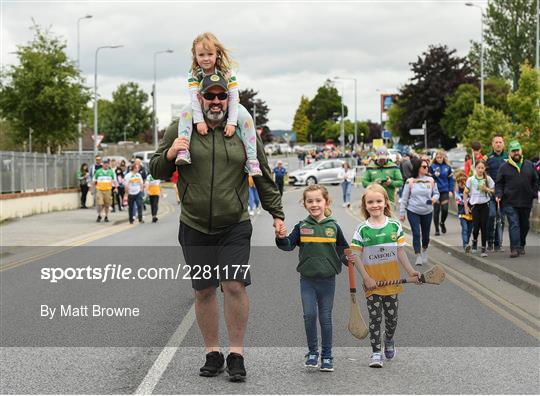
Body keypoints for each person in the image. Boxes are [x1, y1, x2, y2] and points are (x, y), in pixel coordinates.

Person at [149, 73, 285, 382]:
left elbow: (261, 171)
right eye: (209, 96)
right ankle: (213, 352)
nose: (215, 101)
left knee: (234, 285)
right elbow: (156, 168)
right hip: (194, 225)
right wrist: (171, 153)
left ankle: (236, 353)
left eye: (220, 96)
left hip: (233, 223)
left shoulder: (240, 129)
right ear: (199, 99)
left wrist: (276, 212)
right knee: (204, 290)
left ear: (228, 99)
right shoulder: (180, 128)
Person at [276, 185, 349, 372]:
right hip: (307, 280)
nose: (314, 204)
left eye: (318, 200)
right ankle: (312, 353)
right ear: (304, 203)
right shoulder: (302, 227)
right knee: (309, 316)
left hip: (328, 280)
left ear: (326, 202)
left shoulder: (333, 227)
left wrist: (351, 260)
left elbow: (344, 251)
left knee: (325, 318)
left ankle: (326, 355)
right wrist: (281, 237)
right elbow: (287, 246)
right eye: (310, 201)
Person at [351, 183, 420, 368]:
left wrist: (411, 271)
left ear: (385, 203)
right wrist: (366, 277)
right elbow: (355, 255)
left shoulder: (394, 226)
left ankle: (389, 339)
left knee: (392, 319)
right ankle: (375, 353)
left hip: (392, 284)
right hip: (372, 285)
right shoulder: (362, 229)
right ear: (365, 205)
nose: (375, 205)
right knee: (375, 318)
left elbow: (400, 252)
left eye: (378, 201)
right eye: (370, 202)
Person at [175, 32, 261, 177]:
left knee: (246, 117)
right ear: (195, 55)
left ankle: (252, 159)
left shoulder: (227, 71)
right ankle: (183, 150)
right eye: (201, 55)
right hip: (201, 105)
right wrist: (199, 121)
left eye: (210, 54)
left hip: (228, 105)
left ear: (217, 54)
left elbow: (233, 97)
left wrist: (232, 122)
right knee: (185, 111)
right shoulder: (194, 73)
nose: (206, 58)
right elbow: (195, 98)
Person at [495, 141, 539, 258]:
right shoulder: (504, 167)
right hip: (510, 201)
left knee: (525, 225)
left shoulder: (529, 164)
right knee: (514, 224)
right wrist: (499, 194)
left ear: (521, 151)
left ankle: (522, 245)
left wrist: (533, 192)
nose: (516, 153)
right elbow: (499, 183)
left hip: (526, 200)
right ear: (509, 152)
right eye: (513, 151)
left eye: (517, 150)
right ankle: (514, 248)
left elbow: (536, 180)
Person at [399, 158, 439, 266]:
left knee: (426, 236)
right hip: (413, 210)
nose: (427, 168)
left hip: (427, 211)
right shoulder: (410, 181)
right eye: (424, 166)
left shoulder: (430, 180)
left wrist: (434, 198)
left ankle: (424, 250)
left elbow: (436, 193)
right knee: (416, 233)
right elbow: (404, 198)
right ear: (418, 168)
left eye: (427, 166)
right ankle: (418, 255)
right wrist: (402, 213)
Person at [464, 160, 495, 257]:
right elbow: (465, 193)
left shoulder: (488, 179)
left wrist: (486, 189)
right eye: (479, 168)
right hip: (475, 206)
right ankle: (474, 243)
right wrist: (466, 206)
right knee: (476, 226)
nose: (480, 170)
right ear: (475, 168)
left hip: (485, 205)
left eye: (482, 168)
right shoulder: (471, 179)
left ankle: (483, 249)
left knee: (484, 226)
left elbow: (494, 190)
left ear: (485, 168)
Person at [485, 135, 508, 252]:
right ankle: (490, 242)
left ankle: (498, 243)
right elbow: (483, 174)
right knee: (491, 215)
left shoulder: (508, 157)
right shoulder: (488, 158)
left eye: (500, 142)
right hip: (491, 193)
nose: (498, 144)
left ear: (503, 144)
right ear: (492, 144)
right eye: (496, 142)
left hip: (504, 194)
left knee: (501, 218)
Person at [429, 150, 454, 235]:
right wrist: (433, 175)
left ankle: (442, 222)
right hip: (435, 191)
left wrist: (451, 190)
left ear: (443, 158)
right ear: (435, 158)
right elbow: (428, 178)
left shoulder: (447, 167)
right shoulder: (432, 166)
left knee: (445, 209)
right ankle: (436, 229)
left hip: (445, 191)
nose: (439, 159)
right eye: (438, 157)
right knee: (436, 210)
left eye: (441, 157)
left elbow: (451, 179)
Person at [454, 170, 473, 252]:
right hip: (462, 213)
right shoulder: (457, 191)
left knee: (469, 230)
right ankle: (465, 244)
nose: (462, 183)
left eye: (464, 181)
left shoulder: (469, 190)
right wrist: (466, 202)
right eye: (460, 182)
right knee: (464, 229)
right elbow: (459, 200)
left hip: (471, 213)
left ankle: (467, 243)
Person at [92, 158, 116, 223]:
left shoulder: (111, 172)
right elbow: (94, 181)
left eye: (107, 164)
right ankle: (99, 215)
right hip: (99, 190)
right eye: (105, 164)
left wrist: (116, 188)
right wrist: (92, 189)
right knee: (100, 203)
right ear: (103, 164)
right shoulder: (98, 171)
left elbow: (114, 181)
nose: (106, 165)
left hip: (108, 190)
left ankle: (106, 216)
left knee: (107, 204)